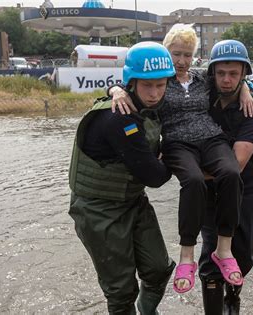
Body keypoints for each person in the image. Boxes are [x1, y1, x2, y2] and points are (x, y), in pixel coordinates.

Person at [107, 25, 253, 294]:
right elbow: (131, 86)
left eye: (187, 55)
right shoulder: (161, 82)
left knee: (232, 173)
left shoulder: (203, 80)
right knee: (194, 180)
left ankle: (224, 250)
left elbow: (231, 79)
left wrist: (245, 88)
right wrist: (115, 90)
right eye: (176, 54)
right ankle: (187, 254)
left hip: (212, 140)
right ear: (166, 54)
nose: (181, 61)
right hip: (178, 143)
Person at [68, 42, 176, 315]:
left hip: (132, 201)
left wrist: (244, 87)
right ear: (131, 83)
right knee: (121, 291)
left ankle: (147, 311)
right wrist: (171, 160)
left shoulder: (143, 102)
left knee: (159, 269)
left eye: (160, 85)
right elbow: (154, 176)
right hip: (98, 211)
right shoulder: (117, 118)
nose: (154, 94)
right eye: (147, 86)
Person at [199, 39, 253, 315]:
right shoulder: (201, 98)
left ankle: (233, 296)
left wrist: (191, 171)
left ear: (243, 75)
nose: (226, 80)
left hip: (247, 190)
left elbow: (236, 164)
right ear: (212, 73)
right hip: (208, 190)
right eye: (221, 73)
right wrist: (116, 88)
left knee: (243, 254)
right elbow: (157, 87)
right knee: (210, 256)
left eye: (234, 74)